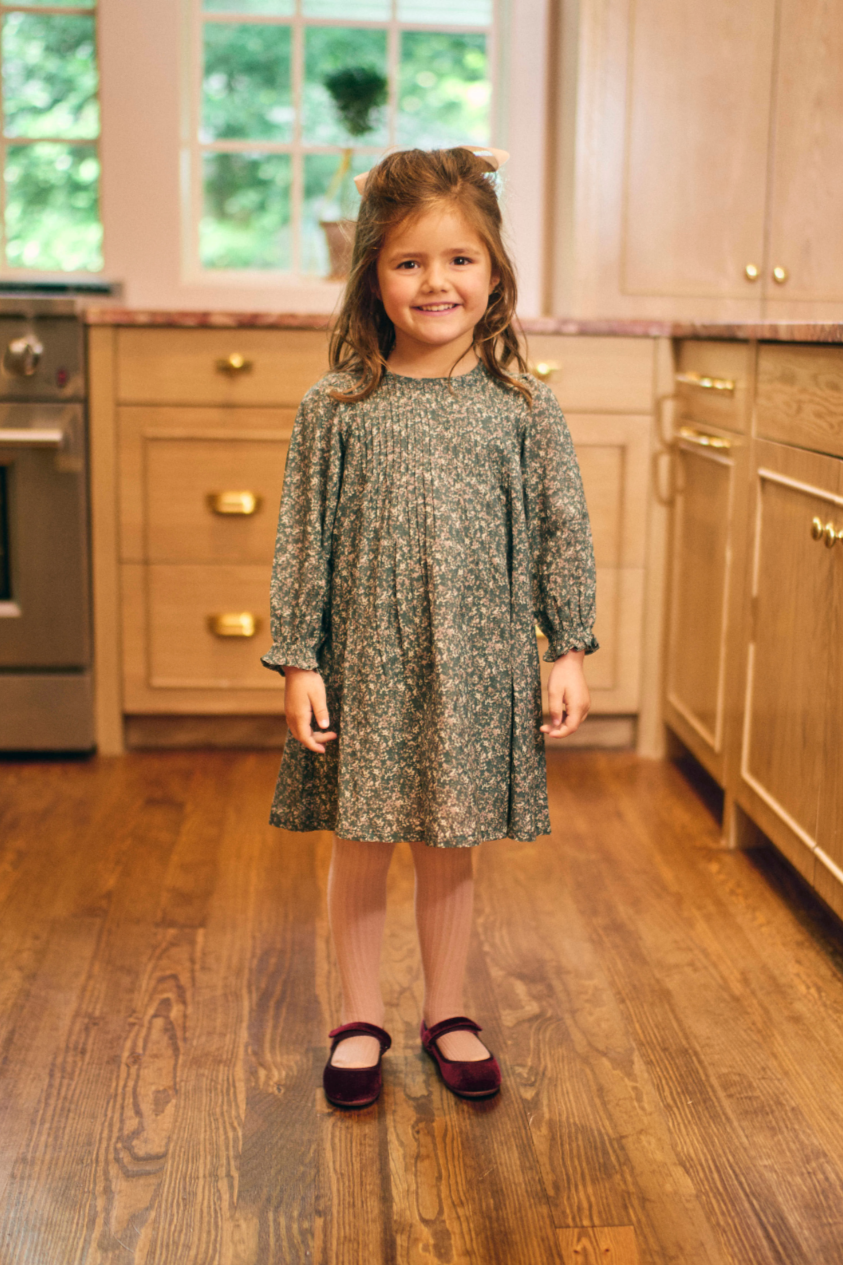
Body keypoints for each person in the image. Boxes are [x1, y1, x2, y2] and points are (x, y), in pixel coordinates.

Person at [261, 144, 598, 1110]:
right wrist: (298, 659)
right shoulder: (334, 408)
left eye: (458, 260)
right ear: (373, 274)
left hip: (477, 668)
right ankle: (358, 1015)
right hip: (364, 667)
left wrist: (565, 646)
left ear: (493, 278)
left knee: (451, 847)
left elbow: (559, 531)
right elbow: (301, 542)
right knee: (360, 844)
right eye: (409, 261)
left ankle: (447, 1009)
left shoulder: (524, 409)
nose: (435, 281)